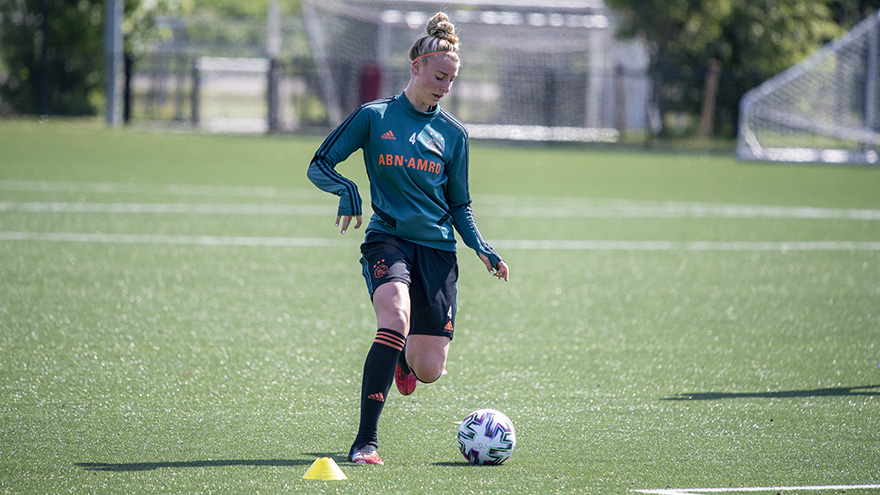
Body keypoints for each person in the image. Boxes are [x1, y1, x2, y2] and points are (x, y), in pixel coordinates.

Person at [307, 12, 509, 466]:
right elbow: (319, 164)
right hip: (388, 241)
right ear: (416, 67)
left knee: (429, 369)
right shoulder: (374, 117)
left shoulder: (454, 134)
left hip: (438, 250)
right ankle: (366, 442)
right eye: (440, 76)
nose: (445, 87)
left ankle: (404, 362)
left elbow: (459, 204)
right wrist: (348, 190)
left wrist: (481, 247)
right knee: (394, 320)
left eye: (452, 80)